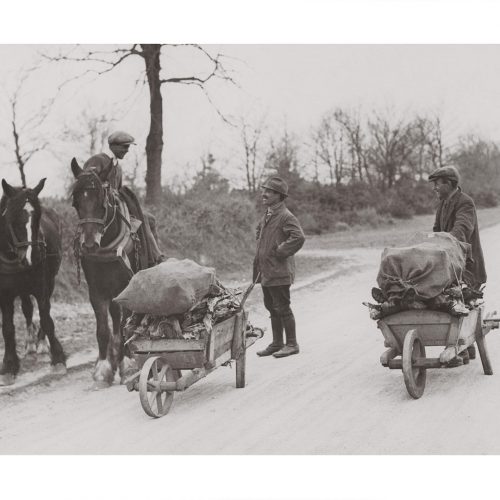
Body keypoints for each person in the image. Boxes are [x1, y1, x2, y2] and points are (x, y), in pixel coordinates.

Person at [428, 165, 487, 365]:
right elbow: (436, 231)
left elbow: (461, 230)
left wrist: (445, 242)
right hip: (450, 265)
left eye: (437, 183)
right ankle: (464, 347)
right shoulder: (442, 205)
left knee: (455, 298)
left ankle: (459, 346)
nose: (434, 187)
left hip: (468, 268)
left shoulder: (465, 203)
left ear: (449, 183)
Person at [82, 131, 164, 267]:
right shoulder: (99, 160)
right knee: (143, 218)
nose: (127, 151)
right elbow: (86, 182)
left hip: (116, 204)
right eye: (124, 147)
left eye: (128, 147)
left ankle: (152, 257)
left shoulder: (117, 166)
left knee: (149, 219)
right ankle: (154, 257)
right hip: (100, 207)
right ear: (114, 147)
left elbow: (117, 189)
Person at [254, 176, 305, 358]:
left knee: (282, 307)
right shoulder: (268, 214)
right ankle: (277, 343)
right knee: (271, 306)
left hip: (280, 271)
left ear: (279, 195)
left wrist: (281, 251)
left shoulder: (285, 216)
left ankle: (292, 344)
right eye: (264, 190)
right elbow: (262, 235)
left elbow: (298, 237)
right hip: (267, 270)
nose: (264, 193)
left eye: (268, 191)